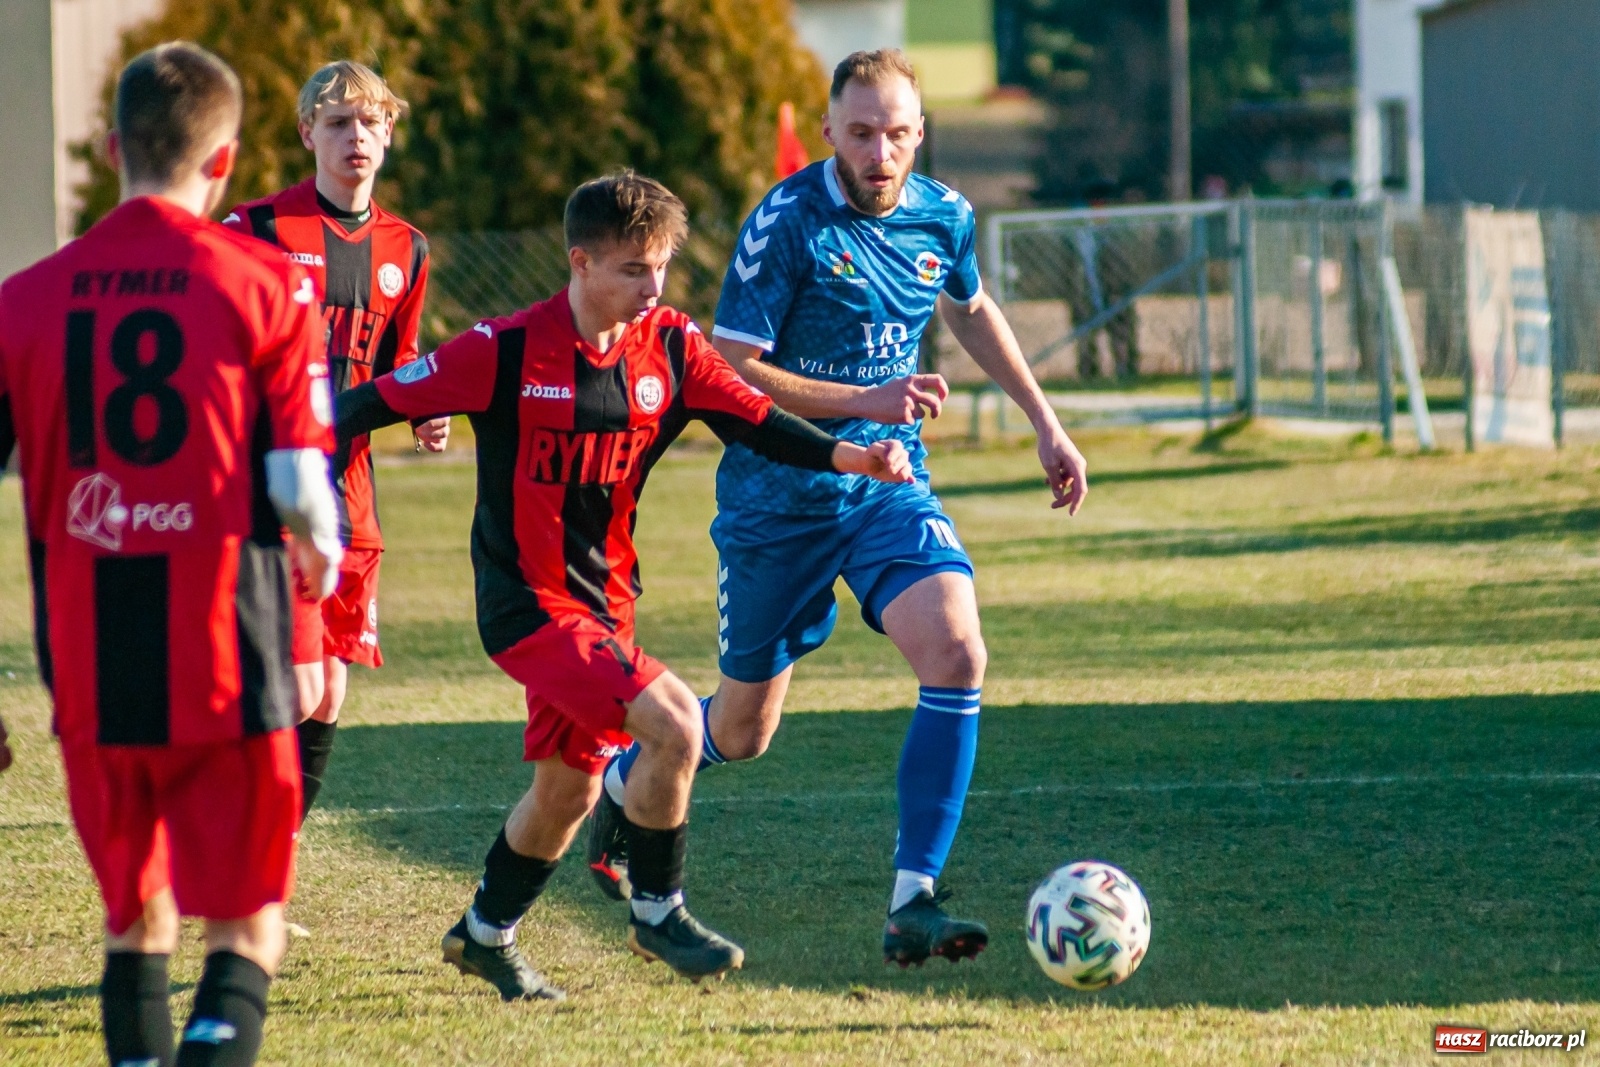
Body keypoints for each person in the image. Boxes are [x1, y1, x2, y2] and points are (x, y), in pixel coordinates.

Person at [334, 171, 914, 1000]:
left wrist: (857, 454)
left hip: (607, 605)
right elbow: (363, 405)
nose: (655, 286)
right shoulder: (500, 350)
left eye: (663, 267)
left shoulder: (671, 347)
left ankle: (483, 934)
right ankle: (657, 910)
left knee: (565, 793)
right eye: (635, 269)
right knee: (678, 721)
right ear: (581, 263)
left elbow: (756, 417)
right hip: (528, 605)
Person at [591, 49, 1090, 967]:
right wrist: (864, 400)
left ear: (919, 133)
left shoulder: (945, 213)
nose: (881, 151)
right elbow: (729, 365)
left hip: (888, 487)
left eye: (898, 133)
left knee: (957, 647)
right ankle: (626, 779)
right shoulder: (785, 222)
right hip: (777, 501)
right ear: (829, 132)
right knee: (741, 734)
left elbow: (973, 310)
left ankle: (915, 899)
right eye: (862, 132)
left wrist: (1044, 421)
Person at [0, 42, 341, 1067]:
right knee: (248, 926)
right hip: (228, 650)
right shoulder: (269, 286)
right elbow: (295, 480)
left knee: (134, 925)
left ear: (112, 150)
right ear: (228, 160)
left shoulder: (21, 301)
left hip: (92, 664)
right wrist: (320, 549)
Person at [223, 61, 447, 818]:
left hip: (355, 495)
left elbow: (401, 365)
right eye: (339, 122)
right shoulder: (255, 230)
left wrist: (428, 409)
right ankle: (242, 837)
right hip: (277, 490)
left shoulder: (407, 249)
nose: (357, 137)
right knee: (303, 682)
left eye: (371, 122)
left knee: (330, 691)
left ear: (390, 133)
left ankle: (271, 854)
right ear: (307, 133)